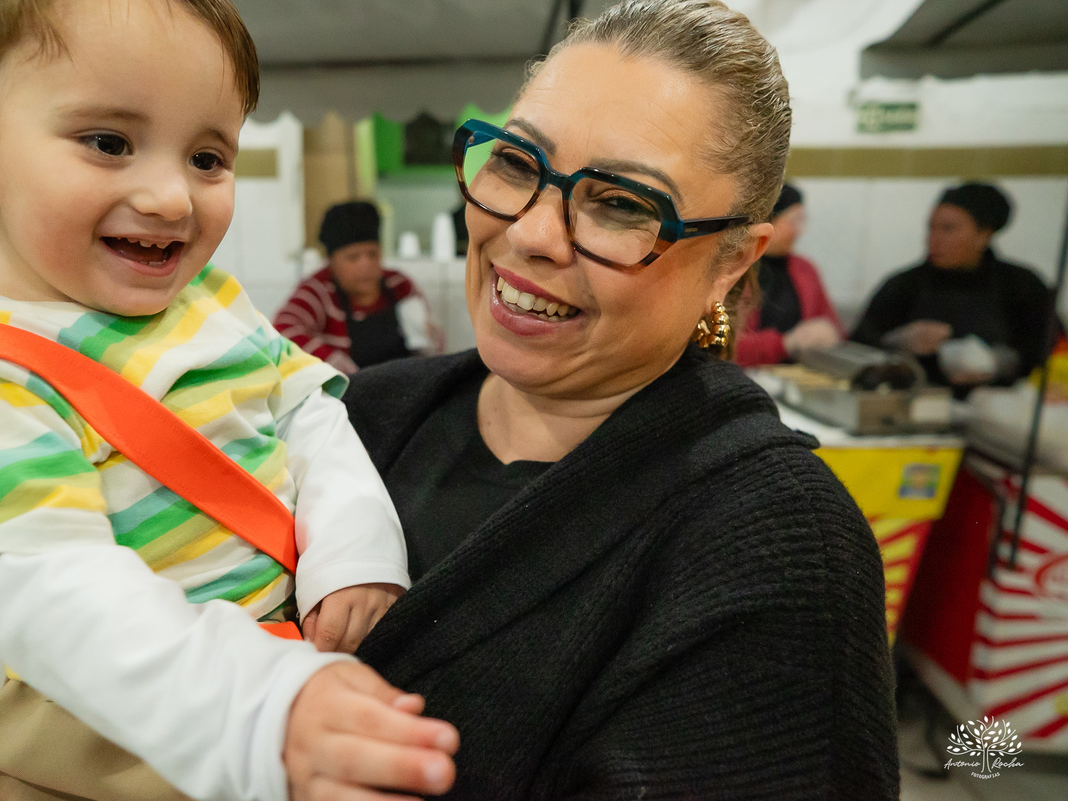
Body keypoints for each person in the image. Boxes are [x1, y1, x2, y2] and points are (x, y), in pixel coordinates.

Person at [0, 1, 459, 799]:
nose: (172, 197)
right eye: (108, 142)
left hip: (290, 669)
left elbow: (305, 410)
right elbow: (57, 597)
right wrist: (260, 707)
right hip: (120, 735)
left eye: (208, 157)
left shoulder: (209, 300)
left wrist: (353, 548)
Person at [343, 1, 898, 797]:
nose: (533, 233)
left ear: (731, 262)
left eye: (623, 205)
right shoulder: (361, 417)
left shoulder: (779, 547)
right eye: (516, 164)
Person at [852, 182, 1053, 394]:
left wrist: (1001, 362)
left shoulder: (1021, 285)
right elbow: (856, 348)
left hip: (996, 410)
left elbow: (1050, 350)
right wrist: (896, 342)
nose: (934, 239)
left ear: (983, 235)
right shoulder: (904, 285)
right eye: (931, 228)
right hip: (912, 403)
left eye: (948, 229)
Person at [274, 201, 443, 374]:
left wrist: (428, 339)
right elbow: (282, 331)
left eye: (373, 254)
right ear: (331, 261)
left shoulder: (399, 285)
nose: (366, 265)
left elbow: (432, 347)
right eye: (353, 258)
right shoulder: (319, 291)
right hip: (347, 396)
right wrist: (331, 363)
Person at [735, 183, 844, 366]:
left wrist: (829, 332)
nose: (799, 231)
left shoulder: (805, 270)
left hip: (799, 376)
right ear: (769, 222)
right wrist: (784, 344)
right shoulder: (735, 270)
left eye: (802, 221)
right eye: (793, 221)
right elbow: (722, 348)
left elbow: (832, 324)